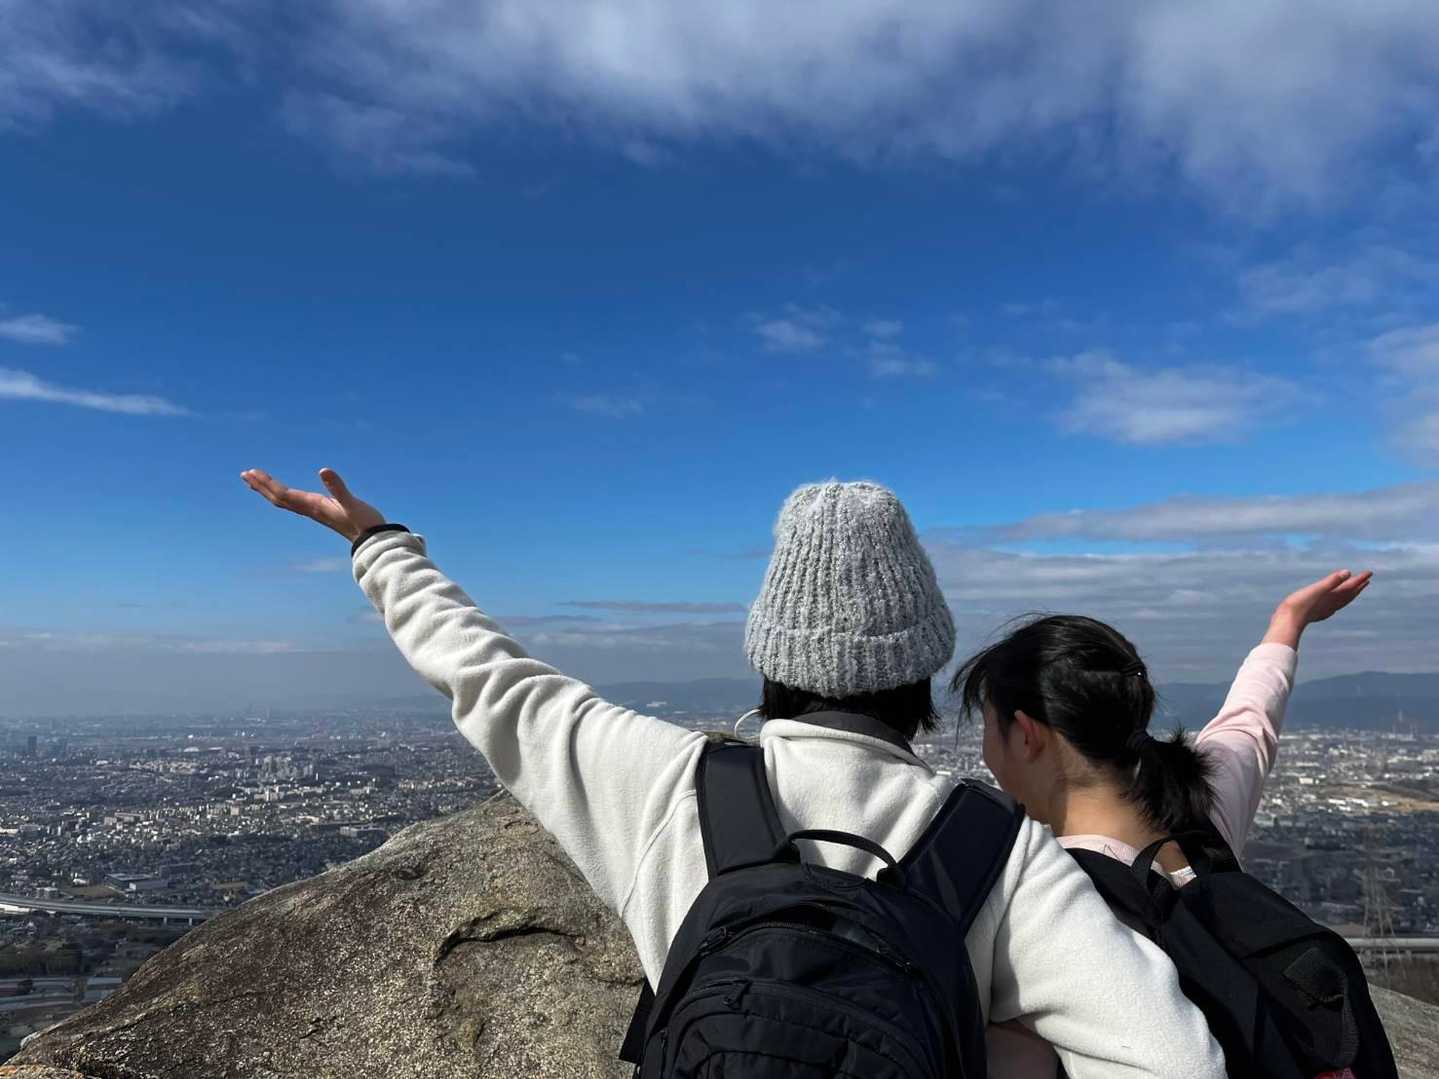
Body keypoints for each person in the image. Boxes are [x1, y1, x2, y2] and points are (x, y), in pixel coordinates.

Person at [242, 467, 1226, 1077]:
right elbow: (1174, 1062)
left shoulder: (664, 781)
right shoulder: (997, 851)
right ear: (922, 671)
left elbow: (490, 679)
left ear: (768, 655)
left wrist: (380, 546)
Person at [955, 570, 1373, 1075]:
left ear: (1026, 734)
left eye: (989, 728)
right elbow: (1248, 722)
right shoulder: (1199, 810)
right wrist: (1289, 623)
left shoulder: (1046, 900)